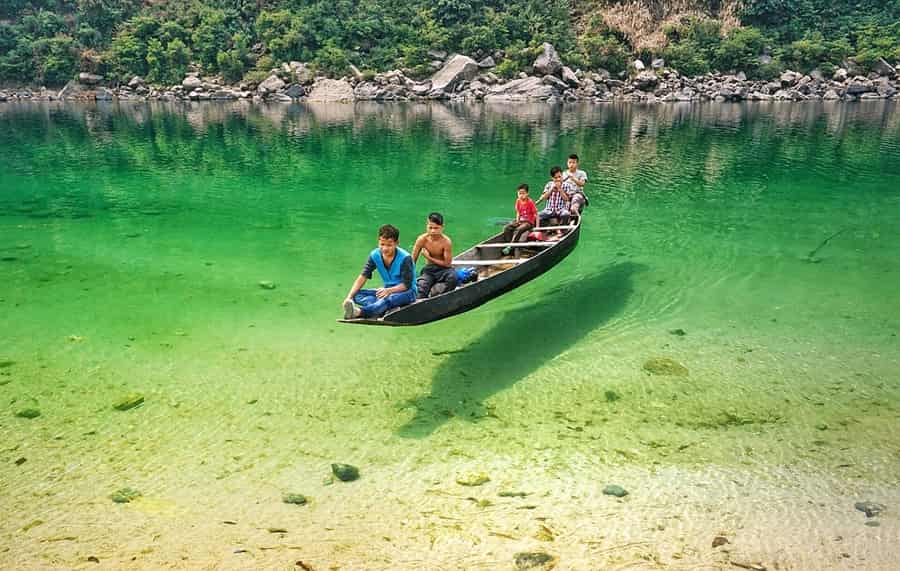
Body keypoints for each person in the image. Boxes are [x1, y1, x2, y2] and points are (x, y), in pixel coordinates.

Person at [343, 224, 416, 319]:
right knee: (356, 294)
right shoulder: (375, 255)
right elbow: (363, 276)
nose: (385, 248)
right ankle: (379, 307)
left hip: (406, 292)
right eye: (382, 244)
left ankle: (359, 312)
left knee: (388, 299)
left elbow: (407, 285)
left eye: (389, 245)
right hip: (386, 290)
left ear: (397, 243)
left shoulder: (405, 258)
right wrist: (349, 297)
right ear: (378, 242)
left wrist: (389, 291)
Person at [412, 212, 457, 298]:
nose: (433, 231)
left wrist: (428, 257)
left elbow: (448, 264)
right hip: (429, 270)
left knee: (453, 278)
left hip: (444, 270)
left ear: (442, 227)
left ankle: (439, 295)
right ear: (427, 226)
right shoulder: (421, 239)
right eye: (430, 227)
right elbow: (412, 261)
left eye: (436, 228)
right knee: (421, 287)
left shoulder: (446, 241)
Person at [501, 183, 537, 256]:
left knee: (518, 230)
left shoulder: (530, 202)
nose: (521, 195)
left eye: (523, 193)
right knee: (506, 228)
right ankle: (510, 245)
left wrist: (537, 228)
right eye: (519, 193)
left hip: (528, 222)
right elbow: (518, 212)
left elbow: (536, 214)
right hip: (521, 221)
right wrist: (517, 221)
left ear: (527, 193)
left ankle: (510, 247)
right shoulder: (518, 201)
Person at [536, 165, 571, 230]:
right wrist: (551, 190)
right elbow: (545, 197)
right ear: (552, 178)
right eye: (555, 178)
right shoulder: (549, 184)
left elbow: (566, 199)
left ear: (562, 176)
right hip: (549, 210)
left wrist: (560, 189)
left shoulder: (566, 185)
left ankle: (562, 229)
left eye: (559, 177)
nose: (558, 179)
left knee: (566, 214)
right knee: (536, 216)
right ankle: (547, 227)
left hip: (561, 209)